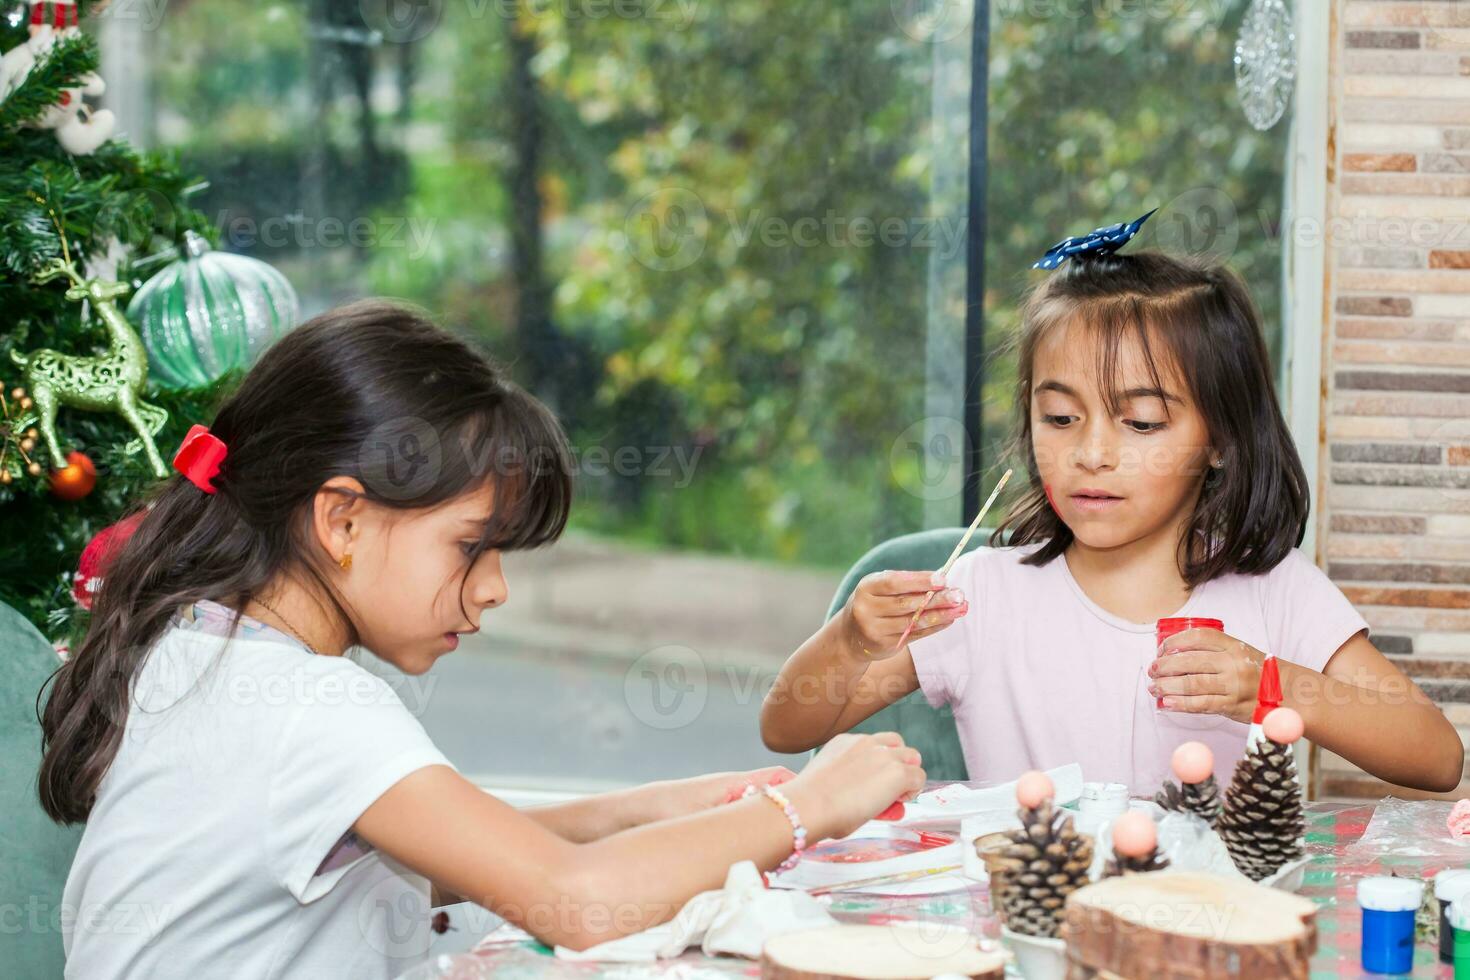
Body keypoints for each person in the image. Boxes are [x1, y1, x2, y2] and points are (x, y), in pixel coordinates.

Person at [40, 300, 924, 979]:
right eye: (472, 546)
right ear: (343, 520)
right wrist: (810, 806)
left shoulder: (203, 645)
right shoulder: (309, 706)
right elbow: (577, 906)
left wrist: (640, 809)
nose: (495, 588)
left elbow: (415, 863)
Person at [761, 217, 1462, 796]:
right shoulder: (982, 596)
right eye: (1061, 418)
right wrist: (848, 641)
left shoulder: (1274, 594)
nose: (1091, 453)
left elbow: (1436, 757)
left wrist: (1272, 684)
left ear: (1219, 437)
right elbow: (789, 729)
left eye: (1142, 424)